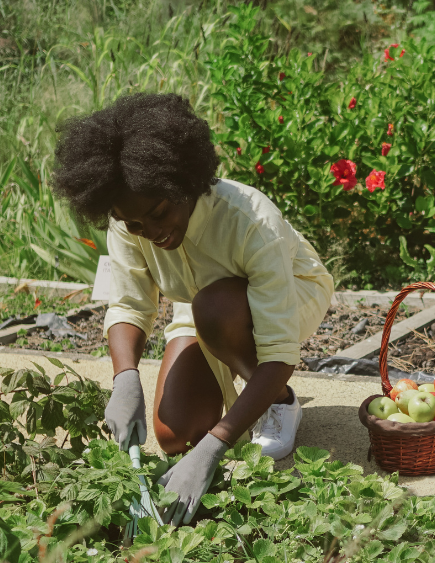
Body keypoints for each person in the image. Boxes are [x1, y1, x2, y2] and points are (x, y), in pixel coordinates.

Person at [52, 93, 334, 526]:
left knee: (216, 310)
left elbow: (278, 351)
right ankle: (235, 384)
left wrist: (215, 447)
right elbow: (129, 304)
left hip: (290, 293)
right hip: (201, 305)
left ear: (183, 183)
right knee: (174, 434)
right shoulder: (130, 219)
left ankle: (280, 403)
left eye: (160, 213)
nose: (153, 232)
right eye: (137, 225)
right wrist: (126, 379)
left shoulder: (251, 220)